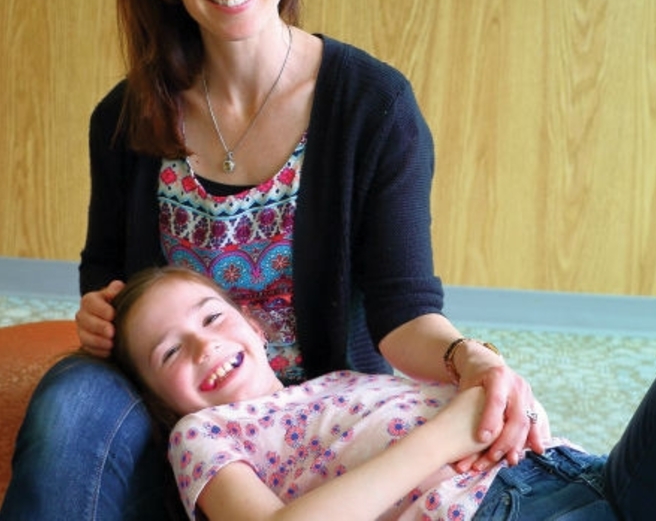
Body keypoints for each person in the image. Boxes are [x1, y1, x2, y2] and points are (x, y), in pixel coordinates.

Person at [1, 0, 546, 519]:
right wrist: (99, 305)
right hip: (189, 426)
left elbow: (403, 313)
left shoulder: (372, 106)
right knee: (68, 401)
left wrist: (469, 358)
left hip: (322, 425)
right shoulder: (125, 116)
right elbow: (107, 271)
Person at [110, 266, 653, 520]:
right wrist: (446, 436)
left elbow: (487, 404)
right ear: (158, 398)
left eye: (211, 318)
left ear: (254, 327)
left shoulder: (340, 381)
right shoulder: (200, 432)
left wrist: (513, 402)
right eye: (170, 353)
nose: (203, 345)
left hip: (579, 469)